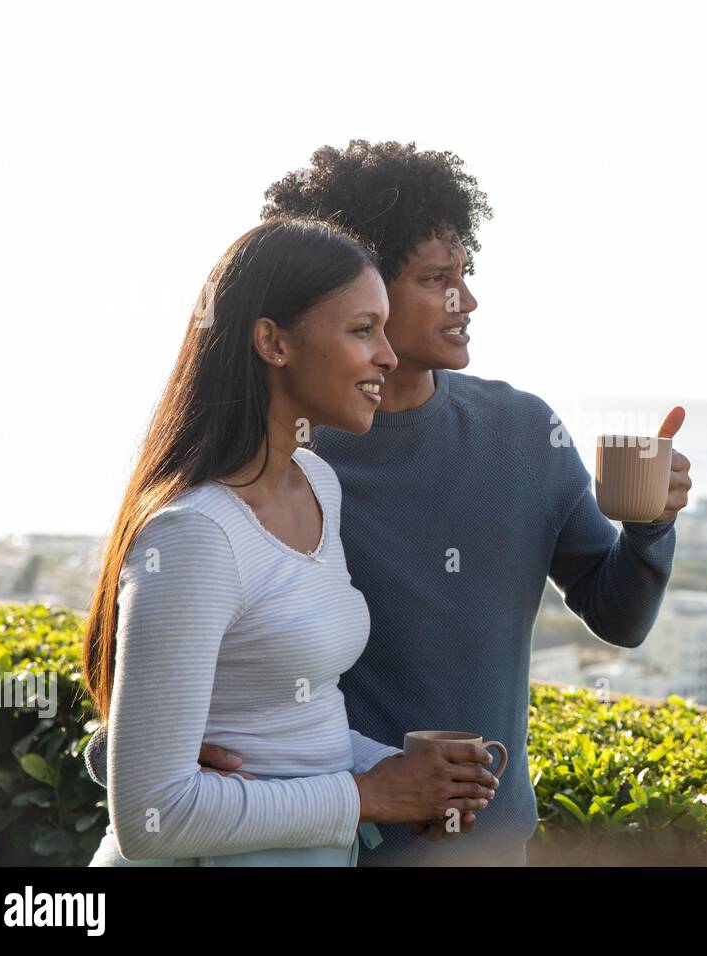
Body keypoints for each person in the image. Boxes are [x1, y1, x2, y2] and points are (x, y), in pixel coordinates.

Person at [86, 140, 693, 865]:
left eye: (464, 275)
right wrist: (146, 758)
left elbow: (620, 617)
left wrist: (649, 527)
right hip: (318, 845)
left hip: (474, 846)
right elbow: (156, 684)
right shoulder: (277, 465)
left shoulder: (516, 435)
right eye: (437, 279)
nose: (465, 301)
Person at [82, 217, 500, 866]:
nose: (387, 356)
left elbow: (282, 725)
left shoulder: (317, 483)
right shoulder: (196, 535)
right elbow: (149, 821)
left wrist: (406, 777)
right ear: (273, 342)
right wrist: (369, 795)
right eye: (363, 331)